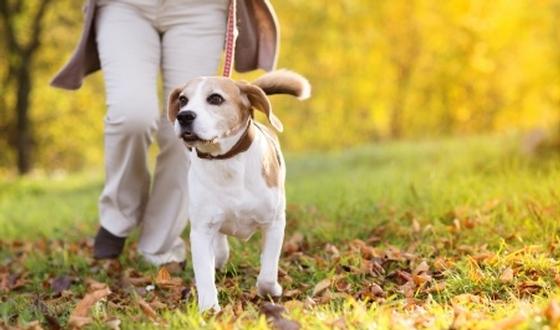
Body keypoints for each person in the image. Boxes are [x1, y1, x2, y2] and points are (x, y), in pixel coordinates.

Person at [50, 0, 279, 265]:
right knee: (131, 115)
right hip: (124, 6)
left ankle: (159, 245)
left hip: (200, 9)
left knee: (191, 132)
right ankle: (118, 215)